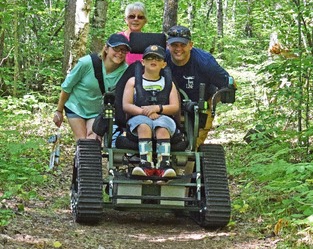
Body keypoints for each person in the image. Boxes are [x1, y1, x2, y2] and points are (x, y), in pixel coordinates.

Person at [53, 34, 131, 141]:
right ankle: (79, 156)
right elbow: (67, 87)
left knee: (93, 140)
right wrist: (59, 111)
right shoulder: (86, 63)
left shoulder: (125, 70)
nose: (120, 53)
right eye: (116, 48)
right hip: (76, 106)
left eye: (124, 50)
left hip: (97, 111)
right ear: (106, 49)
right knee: (82, 140)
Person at [165, 25, 230, 148]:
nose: (178, 49)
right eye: (174, 45)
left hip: (199, 104)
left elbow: (227, 83)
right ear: (168, 45)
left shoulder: (205, 62)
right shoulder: (161, 59)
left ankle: (193, 162)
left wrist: (214, 101)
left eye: (182, 45)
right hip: (167, 105)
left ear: (190, 45)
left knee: (194, 145)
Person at [122, 45, 180, 178]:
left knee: (162, 127)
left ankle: (164, 165)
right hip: (139, 117)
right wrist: (145, 112)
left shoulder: (168, 83)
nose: (153, 60)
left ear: (163, 64)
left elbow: (175, 106)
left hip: (163, 116)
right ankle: (145, 165)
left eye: (157, 58)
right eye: (149, 58)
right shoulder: (133, 82)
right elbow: (126, 105)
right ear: (143, 62)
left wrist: (157, 109)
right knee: (144, 125)